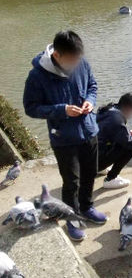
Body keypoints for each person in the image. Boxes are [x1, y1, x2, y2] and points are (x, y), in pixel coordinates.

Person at [23, 31, 107, 242]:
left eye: (78, 58)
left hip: (89, 130)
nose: (76, 63)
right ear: (57, 55)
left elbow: (93, 86)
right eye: (71, 59)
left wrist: (90, 100)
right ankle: (72, 218)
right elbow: (31, 108)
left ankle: (87, 207)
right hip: (63, 138)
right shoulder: (37, 76)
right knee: (71, 182)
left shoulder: (81, 63)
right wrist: (61, 110)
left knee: (90, 173)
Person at [97, 93, 132, 189]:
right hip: (94, 162)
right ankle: (111, 178)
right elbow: (129, 143)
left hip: (87, 158)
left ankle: (99, 169)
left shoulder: (108, 109)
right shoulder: (116, 119)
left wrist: (127, 134)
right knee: (129, 148)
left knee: (126, 140)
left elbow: (108, 132)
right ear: (128, 108)